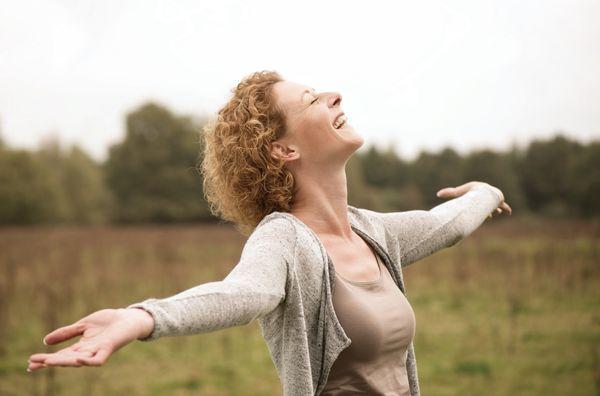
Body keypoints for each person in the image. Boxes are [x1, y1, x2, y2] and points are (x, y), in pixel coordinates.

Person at [27, 71, 512, 395]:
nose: (334, 95)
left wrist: (485, 192)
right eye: (312, 101)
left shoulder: (372, 231)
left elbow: (443, 224)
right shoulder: (284, 240)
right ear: (283, 150)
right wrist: (141, 318)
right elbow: (242, 293)